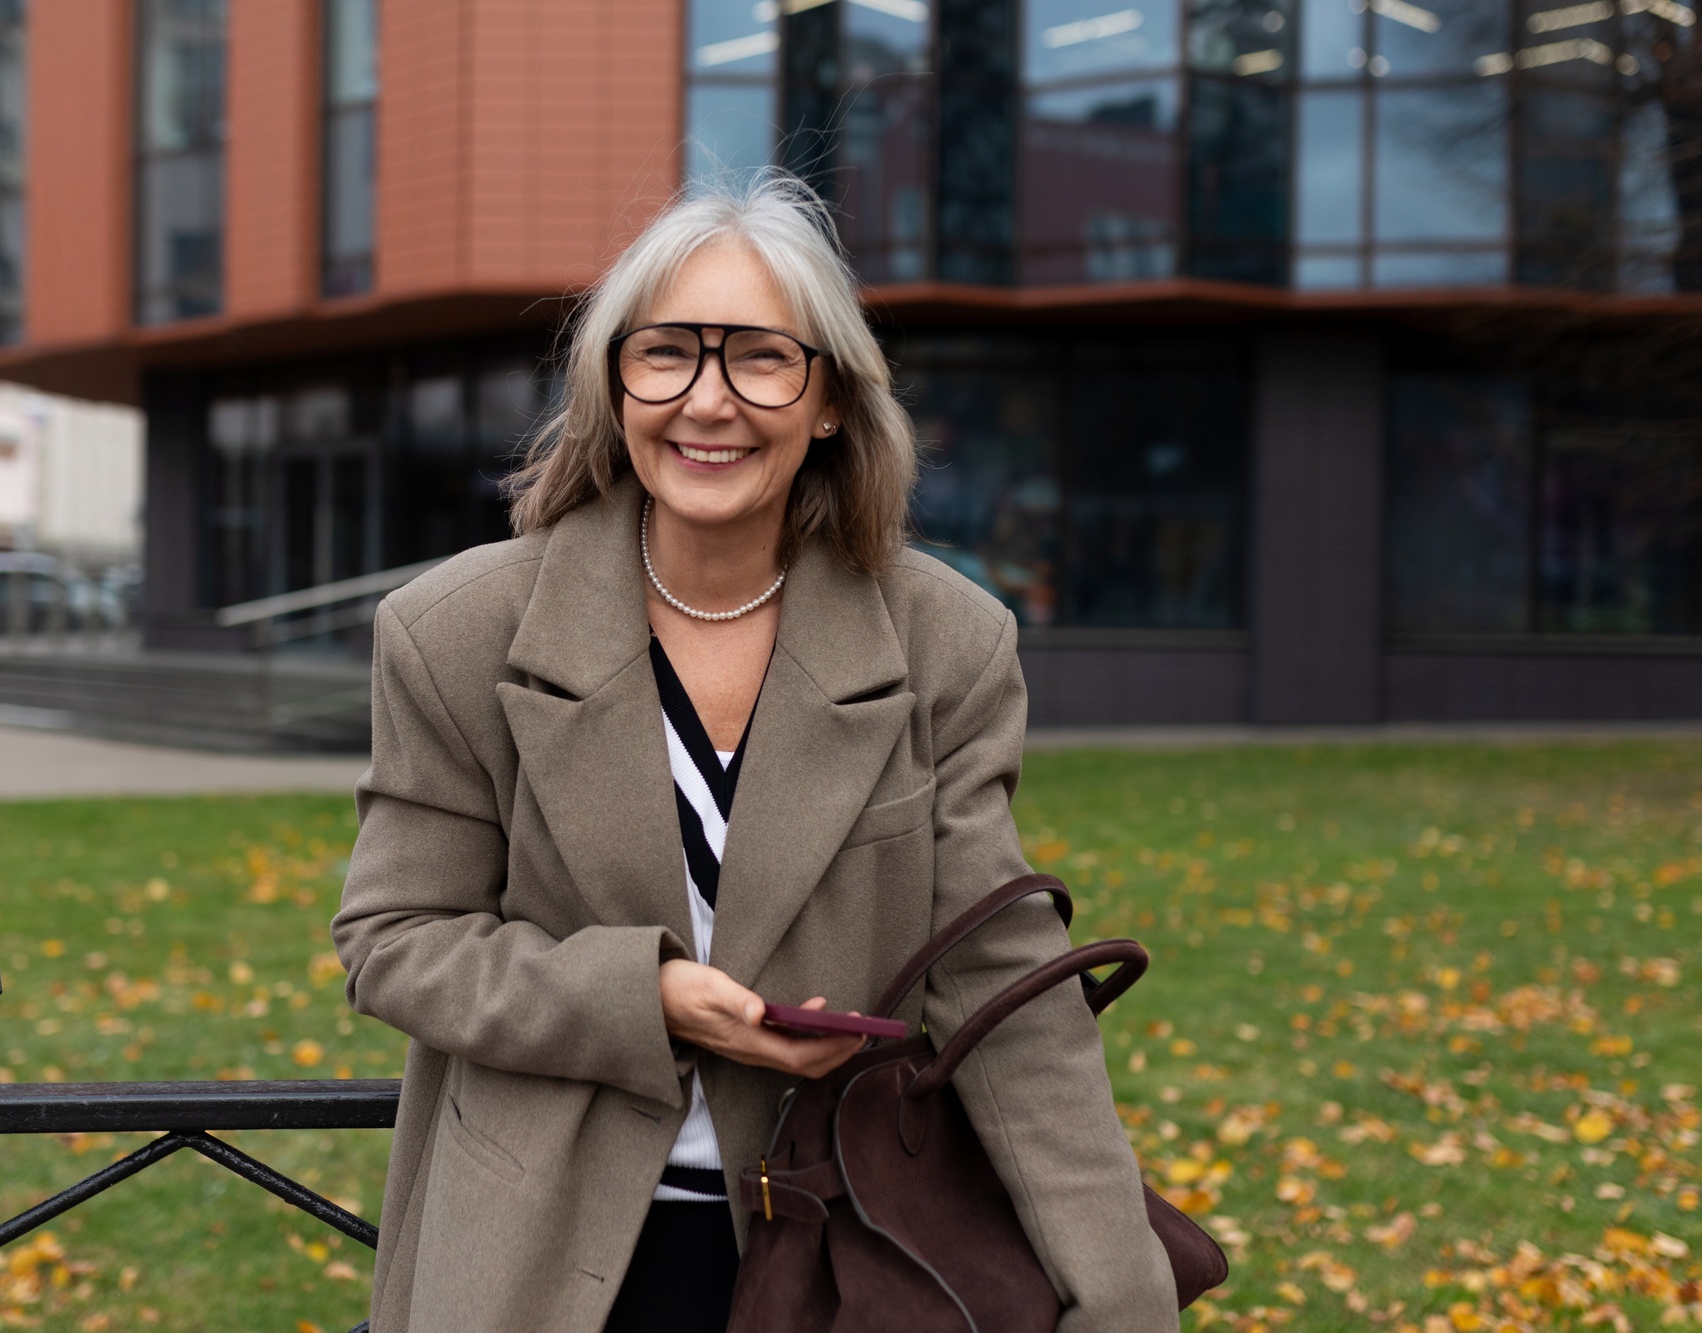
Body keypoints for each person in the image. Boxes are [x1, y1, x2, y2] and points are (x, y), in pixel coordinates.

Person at [331, 174, 1178, 1333]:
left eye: (761, 358)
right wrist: (645, 998)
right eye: (666, 352)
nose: (707, 400)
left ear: (827, 399)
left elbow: (1003, 985)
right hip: (531, 1254)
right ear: (613, 383)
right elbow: (396, 940)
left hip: (845, 1248)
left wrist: (1120, 1292)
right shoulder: (454, 632)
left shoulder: (946, 642)